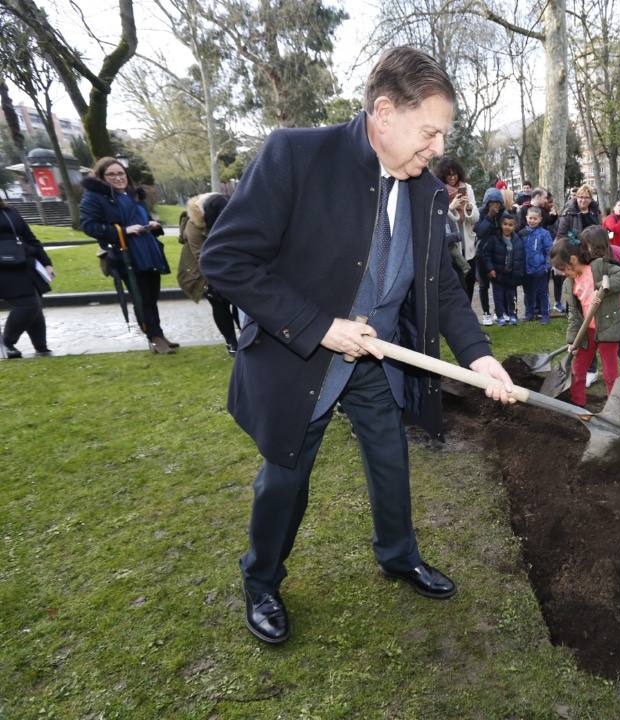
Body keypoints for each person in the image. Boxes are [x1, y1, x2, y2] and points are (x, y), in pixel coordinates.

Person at [198, 46, 515, 646]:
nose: (438, 149)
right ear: (385, 112)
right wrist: (320, 326)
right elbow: (226, 260)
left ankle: (399, 555)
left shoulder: (423, 191)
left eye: (442, 135)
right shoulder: (296, 156)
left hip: (377, 355)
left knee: (391, 461)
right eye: (430, 132)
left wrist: (480, 356)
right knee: (284, 480)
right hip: (302, 356)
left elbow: (442, 285)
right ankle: (261, 580)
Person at [80, 157, 175, 354]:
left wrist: (152, 224)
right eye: (111, 174)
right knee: (141, 296)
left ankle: (158, 332)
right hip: (126, 254)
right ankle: (154, 336)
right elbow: (89, 226)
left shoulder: (133, 194)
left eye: (121, 173)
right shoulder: (94, 197)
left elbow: (141, 216)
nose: (118, 178)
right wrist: (123, 231)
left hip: (148, 250)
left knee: (152, 295)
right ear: (102, 177)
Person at [551, 229, 620, 407]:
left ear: (573, 260)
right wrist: (572, 340)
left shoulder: (599, 267)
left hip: (608, 328)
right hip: (586, 332)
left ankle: (613, 408)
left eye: (563, 268)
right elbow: (573, 315)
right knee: (578, 370)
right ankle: (577, 404)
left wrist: (604, 286)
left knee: (610, 374)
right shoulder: (569, 284)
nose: (563, 273)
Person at [579, 220, 620, 383]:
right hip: (591, 307)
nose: (584, 248)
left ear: (598, 245)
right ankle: (591, 371)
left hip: (616, 306)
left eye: (587, 245)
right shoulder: (585, 259)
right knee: (589, 339)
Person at [178, 193, 238, 354]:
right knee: (218, 301)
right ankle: (231, 342)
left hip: (230, 263)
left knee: (240, 301)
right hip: (202, 269)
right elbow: (201, 257)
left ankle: (248, 337)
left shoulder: (230, 211)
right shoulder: (193, 226)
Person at [0, 201, 54, 357]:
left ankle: (41, 346)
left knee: (35, 305)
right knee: (28, 304)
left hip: (25, 263)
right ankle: (6, 343)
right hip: (4, 269)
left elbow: (30, 237)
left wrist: (46, 262)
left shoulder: (10, 211)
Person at [436, 157, 479, 294]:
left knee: (470, 285)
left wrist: (468, 208)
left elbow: (475, 219)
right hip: (452, 250)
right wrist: (452, 207)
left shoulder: (467, 188)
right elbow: (438, 218)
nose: (452, 177)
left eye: (455, 174)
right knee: (458, 289)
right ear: (443, 175)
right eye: (449, 175)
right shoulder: (439, 190)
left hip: (468, 247)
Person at [555, 185, 601, 313]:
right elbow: (561, 235)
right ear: (576, 197)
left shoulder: (595, 212)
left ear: (591, 199)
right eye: (580, 197)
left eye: (586, 197)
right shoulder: (568, 213)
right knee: (573, 285)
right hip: (574, 254)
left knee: (591, 283)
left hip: (592, 255)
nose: (583, 200)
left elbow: (600, 230)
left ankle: (591, 310)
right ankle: (572, 312)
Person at [483, 212, 525, 325]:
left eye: (510, 225)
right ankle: (500, 316)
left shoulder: (518, 240)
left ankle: (513, 315)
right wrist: (490, 269)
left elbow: (521, 258)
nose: (507, 227)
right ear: (501, 225)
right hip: (497, 274)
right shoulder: (494, 239)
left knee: (512, 296)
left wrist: (520, 272)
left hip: (512, 274)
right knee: (498, 296)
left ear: (514, 226)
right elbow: (486, 255)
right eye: (505, 224)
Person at [473, 187, 505, 325]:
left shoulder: (503, 214)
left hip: (497, 254)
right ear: (487, 203)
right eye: (492, 203)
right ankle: (486, 313)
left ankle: (500, 311)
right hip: (481, 254)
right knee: (483, 285)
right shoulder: (480, 213)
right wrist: (489, 217)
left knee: (499, 284)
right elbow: (479, 232)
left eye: (497, 203)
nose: (495, 206)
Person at [520, 206, 553, 323]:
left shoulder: (544, 234)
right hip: (526, 269)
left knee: (542, 293)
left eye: (535, 219)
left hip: (540, 270)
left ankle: (545, 315)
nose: (532, 221)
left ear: (540, 219)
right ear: (526, 218)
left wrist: (546, 267)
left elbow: (550, 251)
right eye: (530, 218)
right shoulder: (522, 233)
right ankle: (529, 314)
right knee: (528, 293)